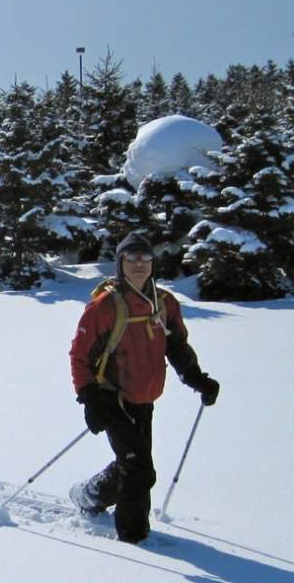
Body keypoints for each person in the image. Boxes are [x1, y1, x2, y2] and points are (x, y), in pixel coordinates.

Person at [68, 232, 220, 543]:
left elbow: (176, 346)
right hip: (112, 398)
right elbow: (79, 356)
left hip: (145, 397)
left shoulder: (164, 303)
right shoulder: (104, 306)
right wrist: (90, 399)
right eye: (131, 258)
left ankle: (89, 495)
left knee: (131, 464)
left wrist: (197, 379)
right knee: (140, 470)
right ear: (120, 263)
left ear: (153, 263)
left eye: (145, 257)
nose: (139, 264)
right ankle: (133, 539)